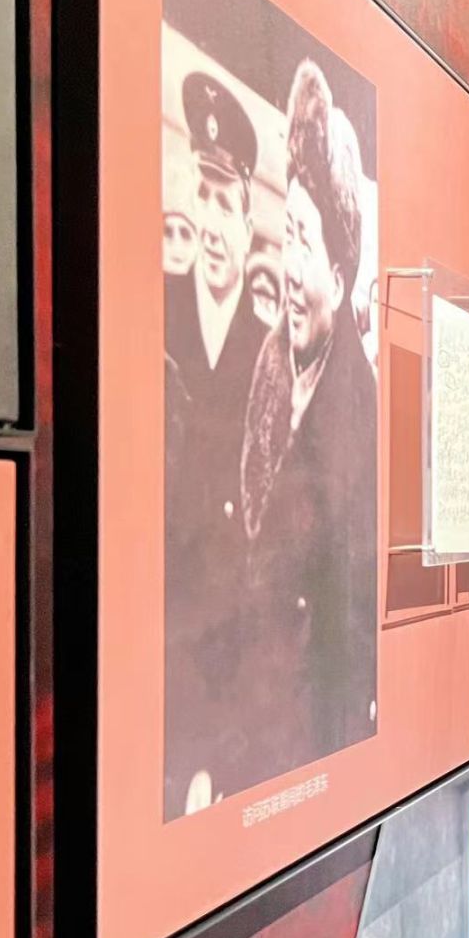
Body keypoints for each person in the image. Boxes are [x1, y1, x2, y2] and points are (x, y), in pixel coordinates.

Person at [226, 59, 379, 803]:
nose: (289, 266)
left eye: (305, 243)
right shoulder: (265, 367)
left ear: (341, 280)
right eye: (284, 235)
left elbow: (348, 637)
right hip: (244, 738)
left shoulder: (359, 412)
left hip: (309, 759)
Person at [160, 70, 279, 816]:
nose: (209, 221)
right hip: (165, 616)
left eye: (224, 204)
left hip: (233, 633)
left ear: (247, 220)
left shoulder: (268, 350)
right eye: (202, 198)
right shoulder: (158, 310)